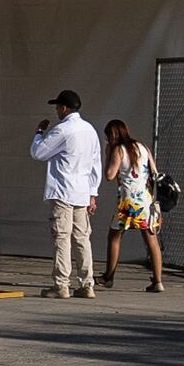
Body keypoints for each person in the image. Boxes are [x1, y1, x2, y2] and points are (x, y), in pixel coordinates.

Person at [32, 88, 104, 297]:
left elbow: (38, 153)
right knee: (82, 238)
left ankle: (61, 284)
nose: (56, 111)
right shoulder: (90, 130)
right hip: (81, 191)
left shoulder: (62, 130)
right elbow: (95, 164)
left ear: (64, 108)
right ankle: (86, 283)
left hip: (63, 190)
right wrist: (93, 192)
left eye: (57, 107)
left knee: (62, 238)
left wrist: (38, 134)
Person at [101, 118, 169, 293]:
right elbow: (154, 173)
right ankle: (158, 281)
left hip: (127, 202)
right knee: (151, 240)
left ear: (113, 135)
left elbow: (109, 175)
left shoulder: (119, 150)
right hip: (145, 201)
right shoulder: (143, 147)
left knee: (114, 237)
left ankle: (109, 277)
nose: (108, 141)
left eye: (108, 137)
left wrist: (108, 154)